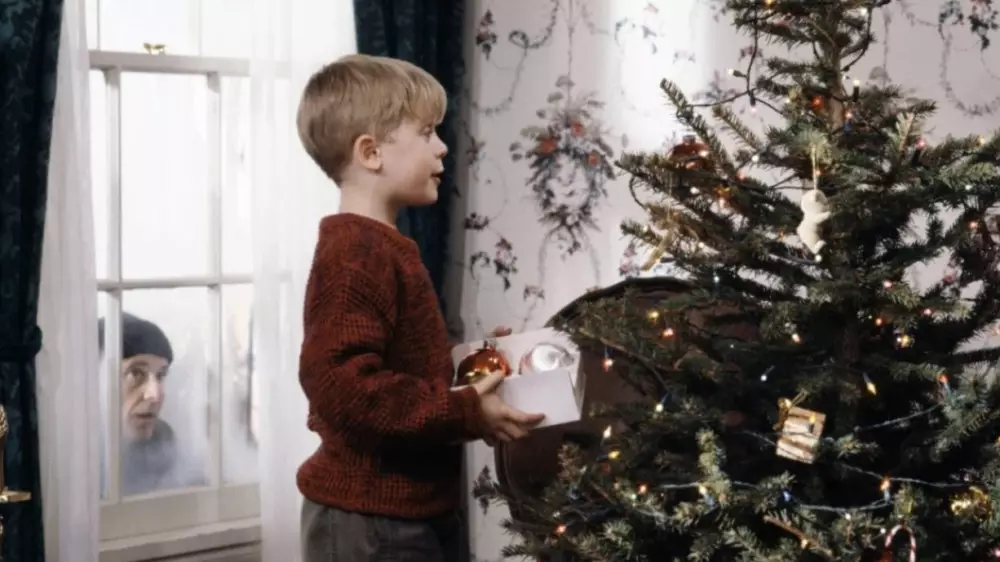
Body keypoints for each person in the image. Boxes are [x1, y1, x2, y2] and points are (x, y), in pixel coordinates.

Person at [295, 53, 546, 562]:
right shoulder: (355, 253)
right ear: (371, 152)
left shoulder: (381, 247)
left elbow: (399, 371)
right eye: (427, 132)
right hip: (371, 524)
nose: (442, 146)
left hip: (409, 514)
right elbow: (343, 389)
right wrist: (466, 409)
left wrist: (472, 367)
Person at [98, 312, 205, 495]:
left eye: (161, 375)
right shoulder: (69, 454)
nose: (155, 395)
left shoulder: (162, 438)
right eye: (136, 374)